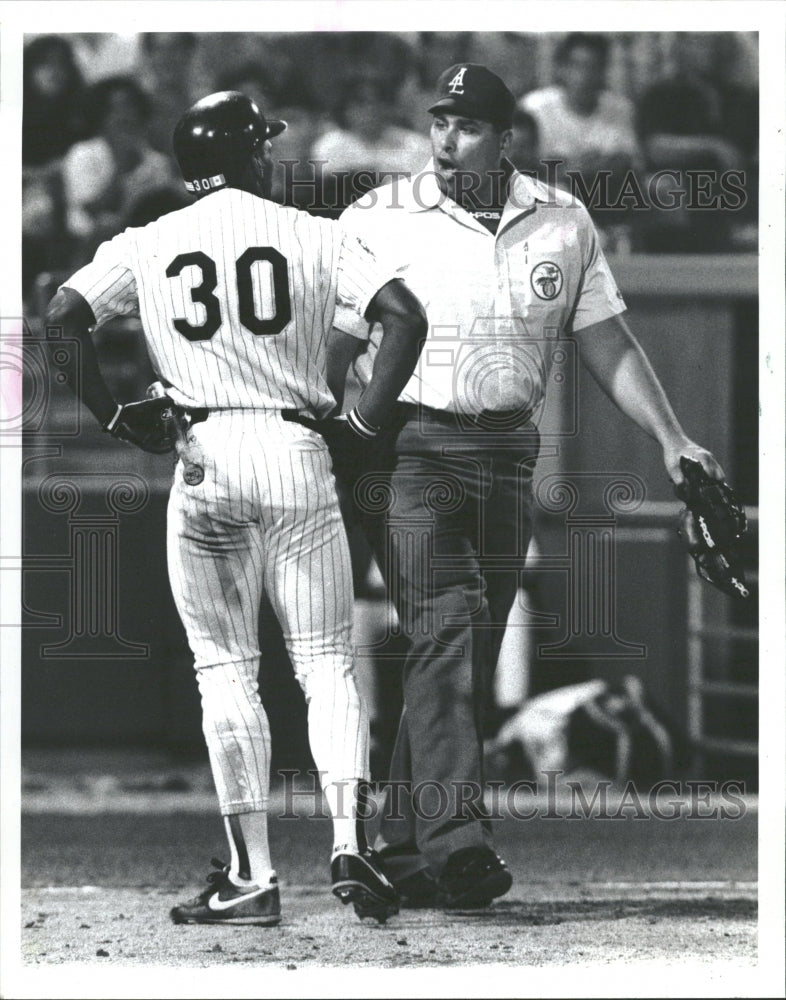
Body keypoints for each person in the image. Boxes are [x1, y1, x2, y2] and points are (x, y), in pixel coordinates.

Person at [325, 63, 725, 910]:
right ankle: (458, 840)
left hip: (510, 453)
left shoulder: (563, 219)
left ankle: (401, 847)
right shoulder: (377, 214)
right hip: (411, 447)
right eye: (439, 120)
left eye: (467, 125)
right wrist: (337, 437)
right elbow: (333, 343)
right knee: (446, 625)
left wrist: (673, 437)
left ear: (507, 139)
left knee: (462, 645)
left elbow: (607, 342)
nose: (446, 137)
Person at [45, 91, 428, 927]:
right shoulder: (317, 234)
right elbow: (404, 318)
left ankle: (251, 875)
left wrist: (112, 416)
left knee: (226, 670)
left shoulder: (146, 240)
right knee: (325, 662)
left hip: (203, 454)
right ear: (252, 155)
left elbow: (62, 316)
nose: (272, 156)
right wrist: (364, 425)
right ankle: (347, 839)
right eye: (265, 145)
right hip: (297, 451)